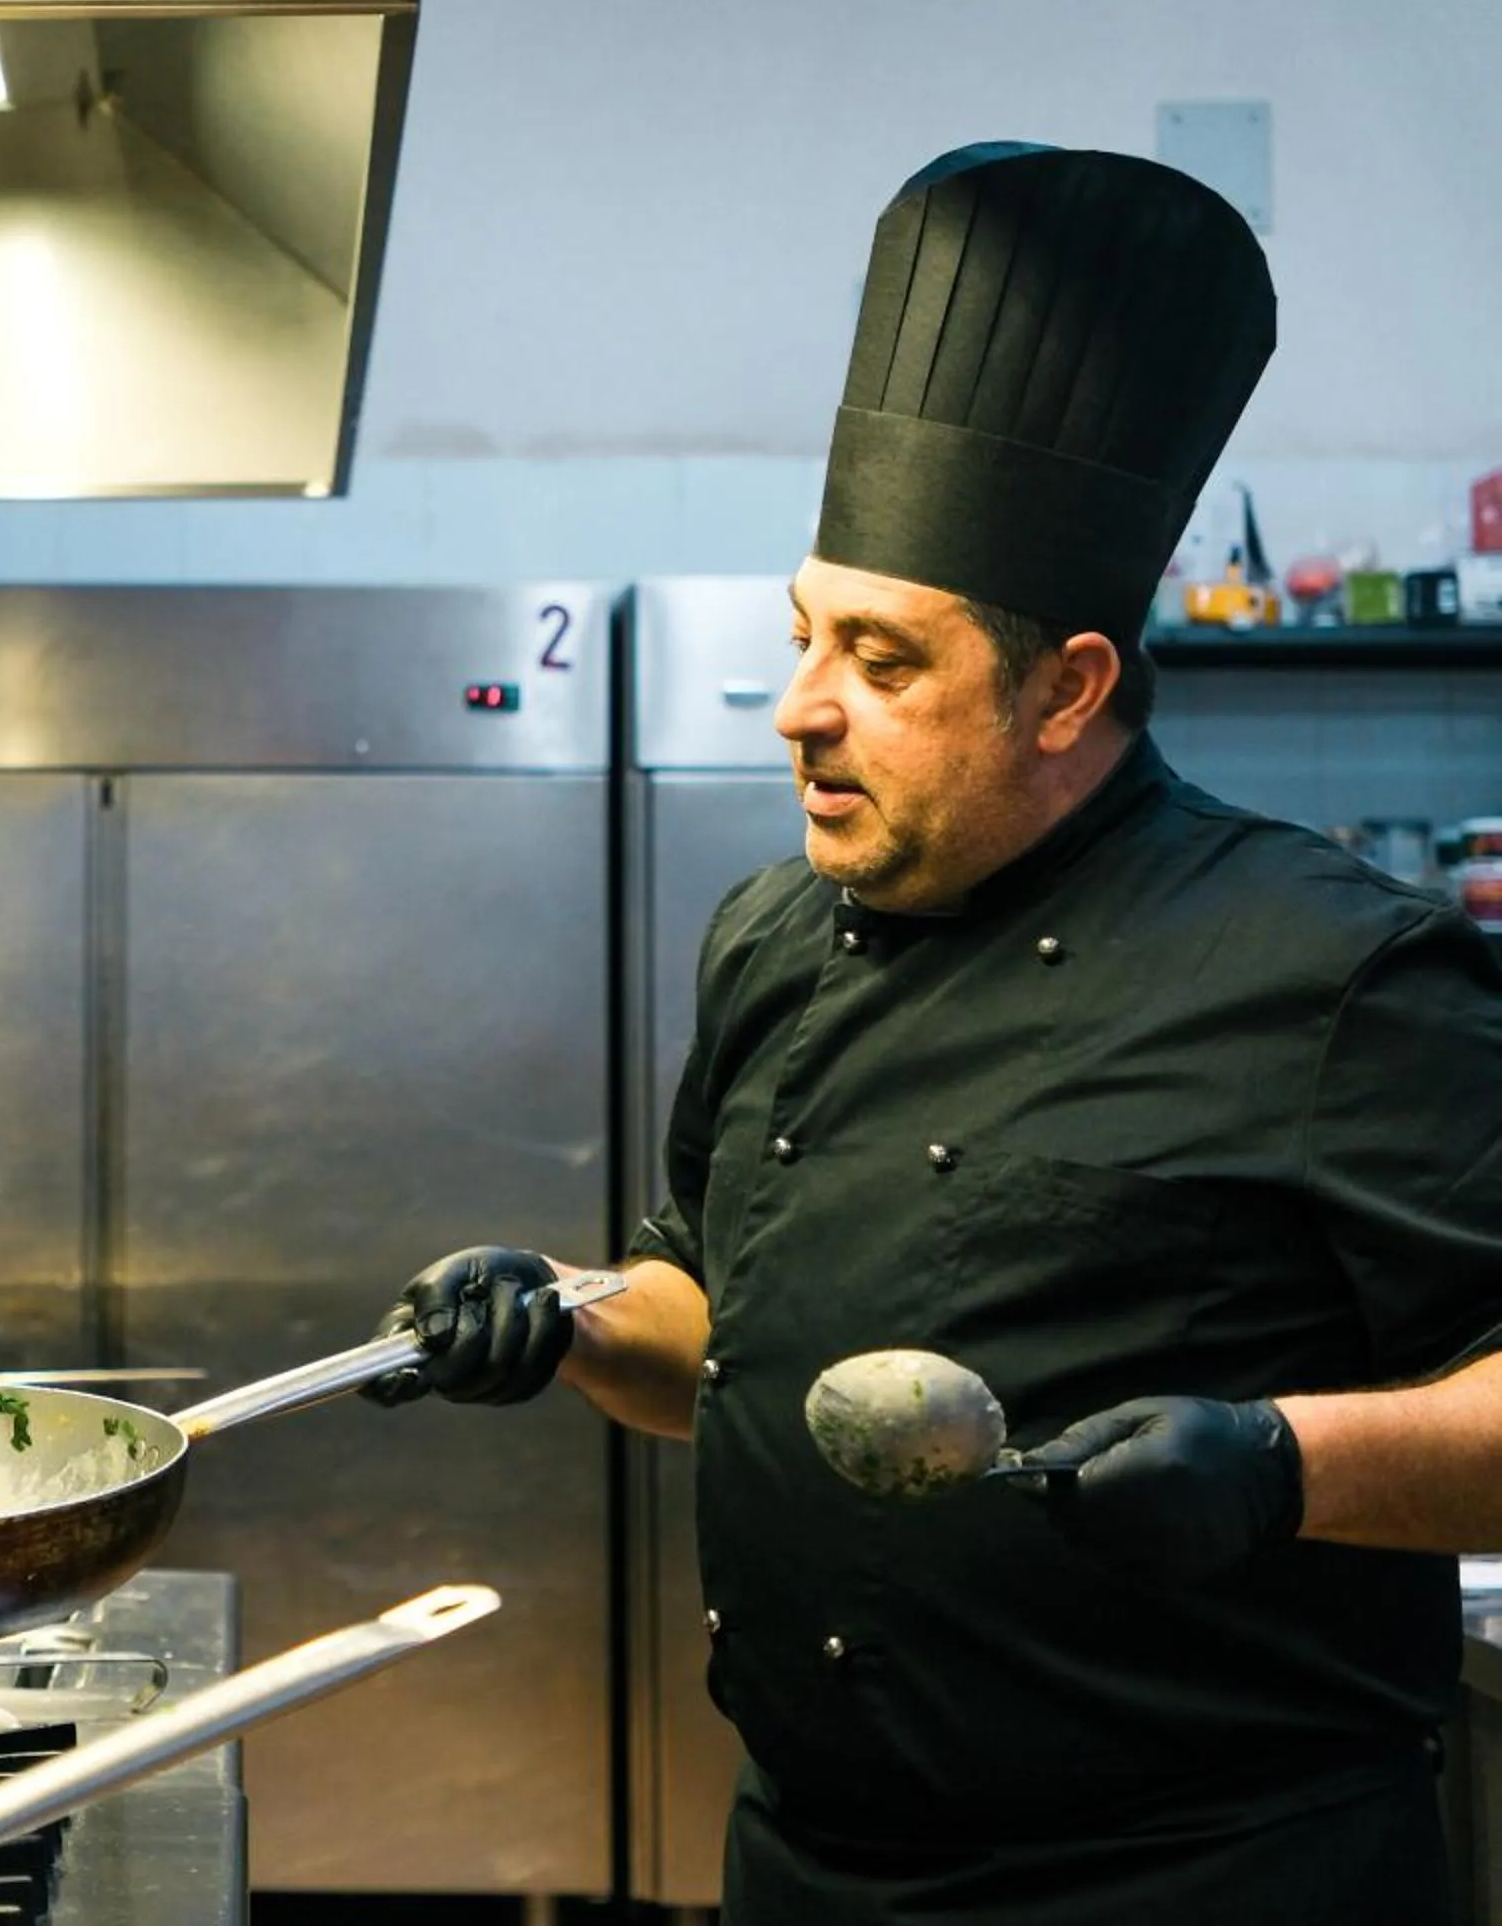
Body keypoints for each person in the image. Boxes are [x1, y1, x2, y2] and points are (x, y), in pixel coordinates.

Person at [367, 142, 1502, 1925]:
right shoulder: (772, 938)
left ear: (1068, 689)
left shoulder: (1337, 975)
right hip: (810, 1868)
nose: (803, 710)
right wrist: (575, 1320)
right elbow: (722, 1331)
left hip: (1207, 1887)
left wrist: (1287, 1465)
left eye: (887, 665)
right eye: (806, 635)